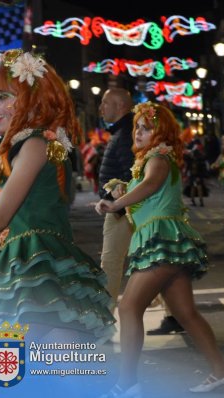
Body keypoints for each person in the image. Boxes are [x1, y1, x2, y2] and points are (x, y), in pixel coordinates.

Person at [95, 102, 224, 396]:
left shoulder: (158, 156)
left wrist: (118, 202)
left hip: (161, 241)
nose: (139, 133)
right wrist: (122, 193)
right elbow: (145, 190)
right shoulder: (152, 159)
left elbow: (150, 185)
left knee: (128, 307)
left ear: (162, 132)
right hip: (169, 242)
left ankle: (128, 383)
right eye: (137, 128)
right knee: (186, 313)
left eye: (147, 128)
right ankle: (222, 372)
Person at [0, 49, 115, 343]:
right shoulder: (31, 142)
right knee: (45, 363)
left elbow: (1, 214)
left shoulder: (35, 144)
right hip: (32, 259)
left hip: (35, 261)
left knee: (23, 362)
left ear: (31, 99)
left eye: (2, 96)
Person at [97, 87, 135, 308]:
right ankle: (173, 312)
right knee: (150, 262)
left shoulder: (124, 133)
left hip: (122, 210)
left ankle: (104, 316)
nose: (101, 107)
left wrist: (115, 199)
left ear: (120, 106)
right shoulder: (122, 131)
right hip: (122, 208)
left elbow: (132, 174)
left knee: (111, 262)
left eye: (105, 102)